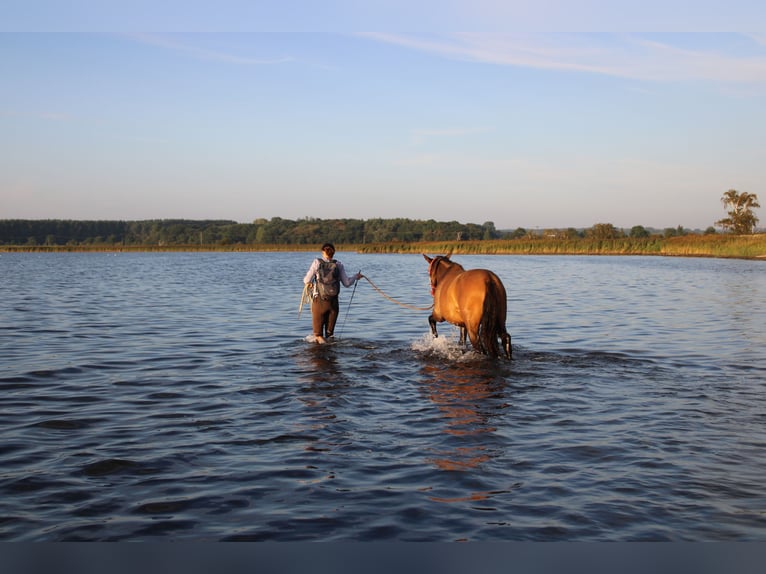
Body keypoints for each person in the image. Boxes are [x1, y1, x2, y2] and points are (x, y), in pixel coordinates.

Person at [303, 243, 362, 344]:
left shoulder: (317, 262)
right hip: (334, 304)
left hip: (319, 302)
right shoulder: (338, 264)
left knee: (318, 335)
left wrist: (309, 284)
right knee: (330, 335)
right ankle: (331, 354)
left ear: (323, 252)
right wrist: (356, 276)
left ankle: (323, 352)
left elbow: (306, 280)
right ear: (333, 253)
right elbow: (347, 283)